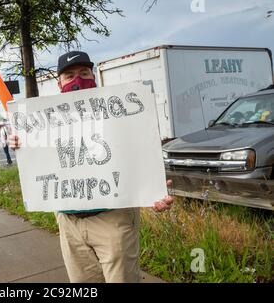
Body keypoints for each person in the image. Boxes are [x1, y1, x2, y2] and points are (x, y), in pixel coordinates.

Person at [10, 51, 174, 283]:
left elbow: (141, 151)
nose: (78, 81)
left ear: (93, 77)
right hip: (69, 222)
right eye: (69, 76)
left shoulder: (120, 114)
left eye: (84, 73)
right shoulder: (46, 122)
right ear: (59, 84)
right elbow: (40, 159)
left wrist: (154, 190)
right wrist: (20, 144)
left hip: (112, 219)